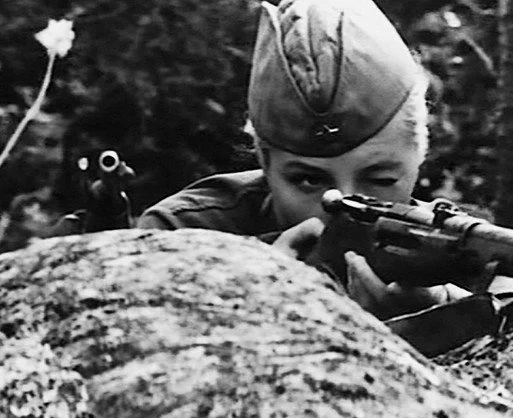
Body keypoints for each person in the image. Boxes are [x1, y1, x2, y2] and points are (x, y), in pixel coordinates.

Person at [135, 0, 482, 322]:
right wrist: (253, 304)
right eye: (309, 181)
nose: (345, 207)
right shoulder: (184, 236)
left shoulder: (463, 247)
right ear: (264, 162)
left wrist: (437, 315)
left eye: (380, 180)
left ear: (419, 156)